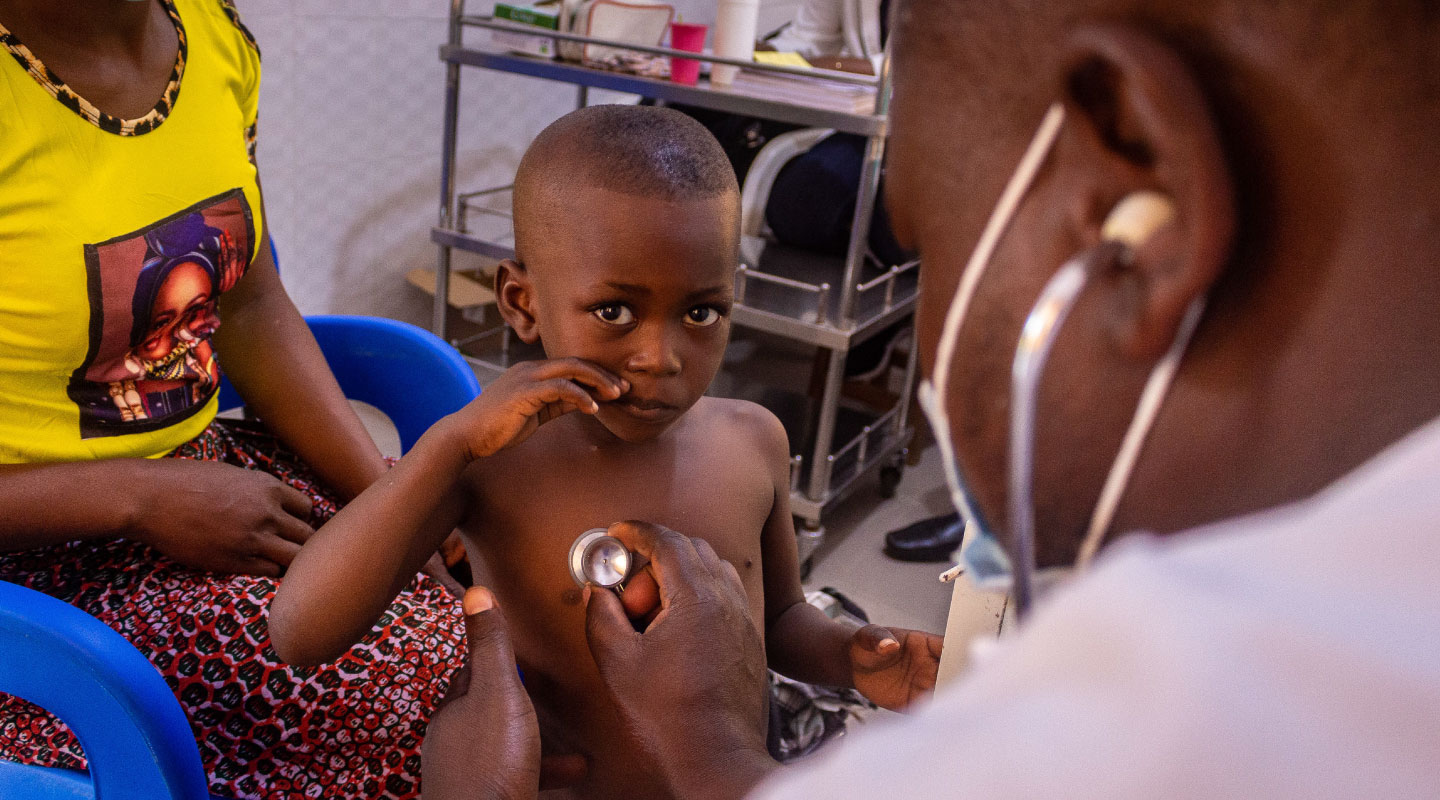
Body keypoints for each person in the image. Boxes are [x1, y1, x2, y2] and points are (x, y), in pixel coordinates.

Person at [421, 0, 1440, 796]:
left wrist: (710, 746)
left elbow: (780, 620)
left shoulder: (1187, 709)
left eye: (925, 244)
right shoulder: (493, 454)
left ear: (1135, 194)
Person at [269, 105, 943, 798]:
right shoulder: (493, 465)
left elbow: (775, 622)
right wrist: (448, 443)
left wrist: (850, 657)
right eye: (614, 312)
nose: (661, 358)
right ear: (522, 302)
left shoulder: (755, 440)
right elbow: (301, 631)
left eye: (702, 312)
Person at [0, 1, 463, 797]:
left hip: (208, 486)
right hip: (40, 577)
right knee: (426, 666)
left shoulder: (211, 38)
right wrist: (138, 496)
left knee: (518, 552)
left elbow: (248, 303)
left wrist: (391, 504)